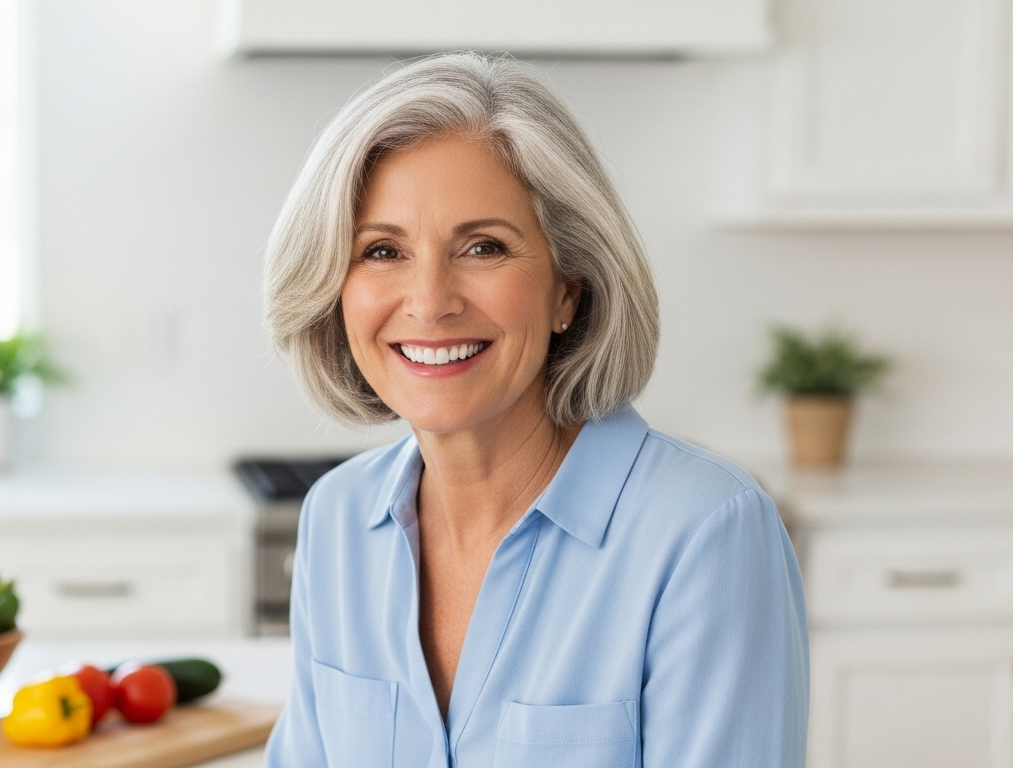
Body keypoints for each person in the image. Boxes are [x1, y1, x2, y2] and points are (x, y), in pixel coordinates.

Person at [261, 52, 808, 768]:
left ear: (567, 290)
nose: (429, 301)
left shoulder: (705, 531)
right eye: (383, 251)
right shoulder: (336, 520)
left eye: (483, 247)